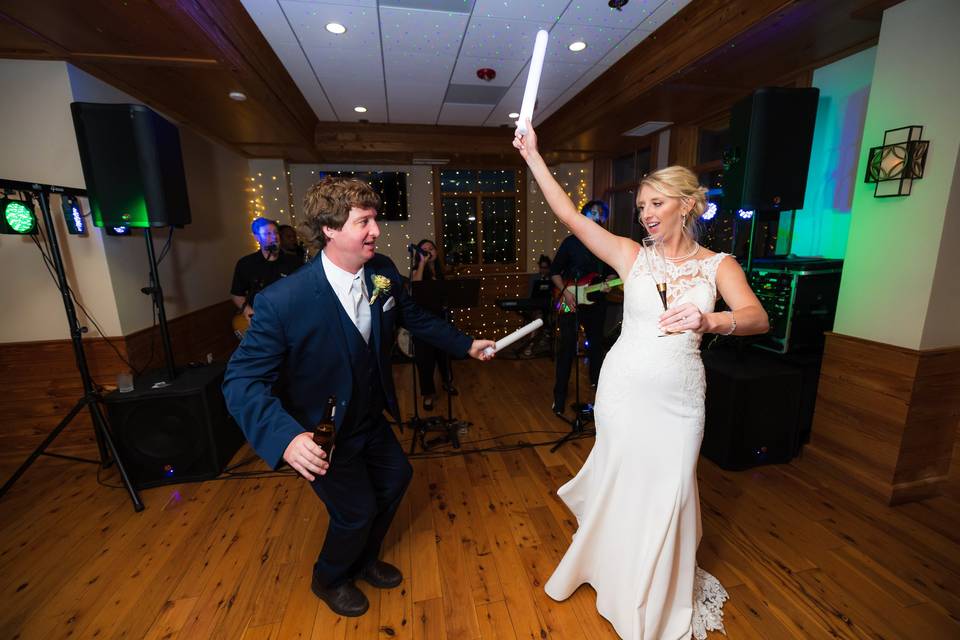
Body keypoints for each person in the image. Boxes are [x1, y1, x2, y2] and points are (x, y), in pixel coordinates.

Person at [514, 121, 769, 640]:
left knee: (672, 490)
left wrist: (711, 320)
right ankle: (615, 571)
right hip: (624, 391)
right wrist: (533, 154)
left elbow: (757, 317)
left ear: (686, 205)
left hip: (681, 399)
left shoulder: (719, 265)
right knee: (624, 485)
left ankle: (656, 585)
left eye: (656, 204)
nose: (647, 214)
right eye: (642, 207)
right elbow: (566, 212)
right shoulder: (629, 256)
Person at [222, 177, 495, 618]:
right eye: (363, 221)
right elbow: (240, 381)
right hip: (321, 433)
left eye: (375, 219)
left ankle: (363, 559)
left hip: (369, 416)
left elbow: (413, 317)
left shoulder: (383, 270)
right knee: (355, 511)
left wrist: (465, 344)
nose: (376, 230)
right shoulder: (283, 300)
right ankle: (329, 577)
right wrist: (287, 439)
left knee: (396, 479)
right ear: (329, 229)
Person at [550, 200, 615, 414]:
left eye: (601, 215)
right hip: (569, 301)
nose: (597, 217)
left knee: (596, 347)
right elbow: (554, 272)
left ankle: (598, 397)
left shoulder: (606, 243)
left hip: (596, 302)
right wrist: (566, 292)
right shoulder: (570, 243)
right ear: (584, 215)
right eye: (593, 213)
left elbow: (612, 272)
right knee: (566, 347)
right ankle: (558, 397)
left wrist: (610, 281)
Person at [230, 218, 302, 324]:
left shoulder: (294, 262)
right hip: (263, 322)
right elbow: (237, 294)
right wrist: (247, 311)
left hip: (291, 319)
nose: (274, 237)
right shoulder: (246, 264)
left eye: (276, 233)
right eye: (268, 234)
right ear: (257, 237)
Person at [409, 238, 453, 410]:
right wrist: (421, 263)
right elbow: (416, 287)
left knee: (444, 356)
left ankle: (447, 382)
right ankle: (428, 394)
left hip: (441, 320)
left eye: (431, 248)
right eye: (424, 250)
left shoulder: (442, 273)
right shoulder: (416, 271)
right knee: (425, 360)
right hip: (423, 323)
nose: (428, 251)